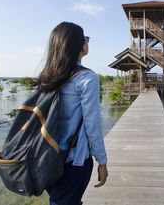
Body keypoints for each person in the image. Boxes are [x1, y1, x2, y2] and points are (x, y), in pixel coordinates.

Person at [33, 21, 108, 205]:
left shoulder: (47, 76)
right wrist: (102, 161)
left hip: (45, 157)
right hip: (74, 160)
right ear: (78, 45)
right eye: (85, 39)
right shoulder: (86, 78)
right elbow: (93, 126)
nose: (87, 42)